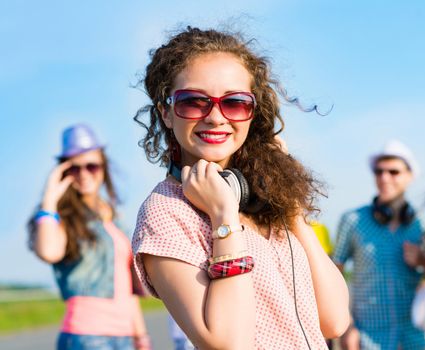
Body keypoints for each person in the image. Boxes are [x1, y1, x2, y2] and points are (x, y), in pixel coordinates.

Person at [131, 26, 350, 349]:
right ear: (165, 112)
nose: (216, 117)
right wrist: (223, 218)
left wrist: (291, 208)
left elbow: (334, 320)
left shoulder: (262, 196)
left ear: (252, 112)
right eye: (194, 102)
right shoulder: (165, 213)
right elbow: (228, 343)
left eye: (234, 103)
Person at [27, 124, 150, 350]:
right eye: (75, 168)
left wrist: (140, 336)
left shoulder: (115, 218)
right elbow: (48, 251)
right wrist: (49, 199)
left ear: (103, 167)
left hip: (124, 337)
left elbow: (127, 285)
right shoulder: (60, 217)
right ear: (63, 171)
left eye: (91, 166)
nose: (83, 174)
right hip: (87, 336)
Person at [332, 139, 425, 350]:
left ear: (410, 176)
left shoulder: (422, 224)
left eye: (393, 172)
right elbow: (334, 274)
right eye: (379, 171)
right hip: (368, 339)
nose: (384, 178)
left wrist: (423, 261)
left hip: (416, 338)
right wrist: (347, 326)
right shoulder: (352, 220)